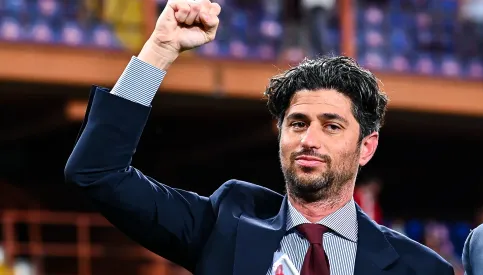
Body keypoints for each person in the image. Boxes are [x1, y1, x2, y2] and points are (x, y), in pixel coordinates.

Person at [64, 0, 455, 274]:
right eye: (298, 123)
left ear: (366, 147)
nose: (310, 139)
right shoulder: (225, 223)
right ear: (281, 133)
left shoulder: (418, 267)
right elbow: (97, 172)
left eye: (331, 125)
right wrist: (160, 50)